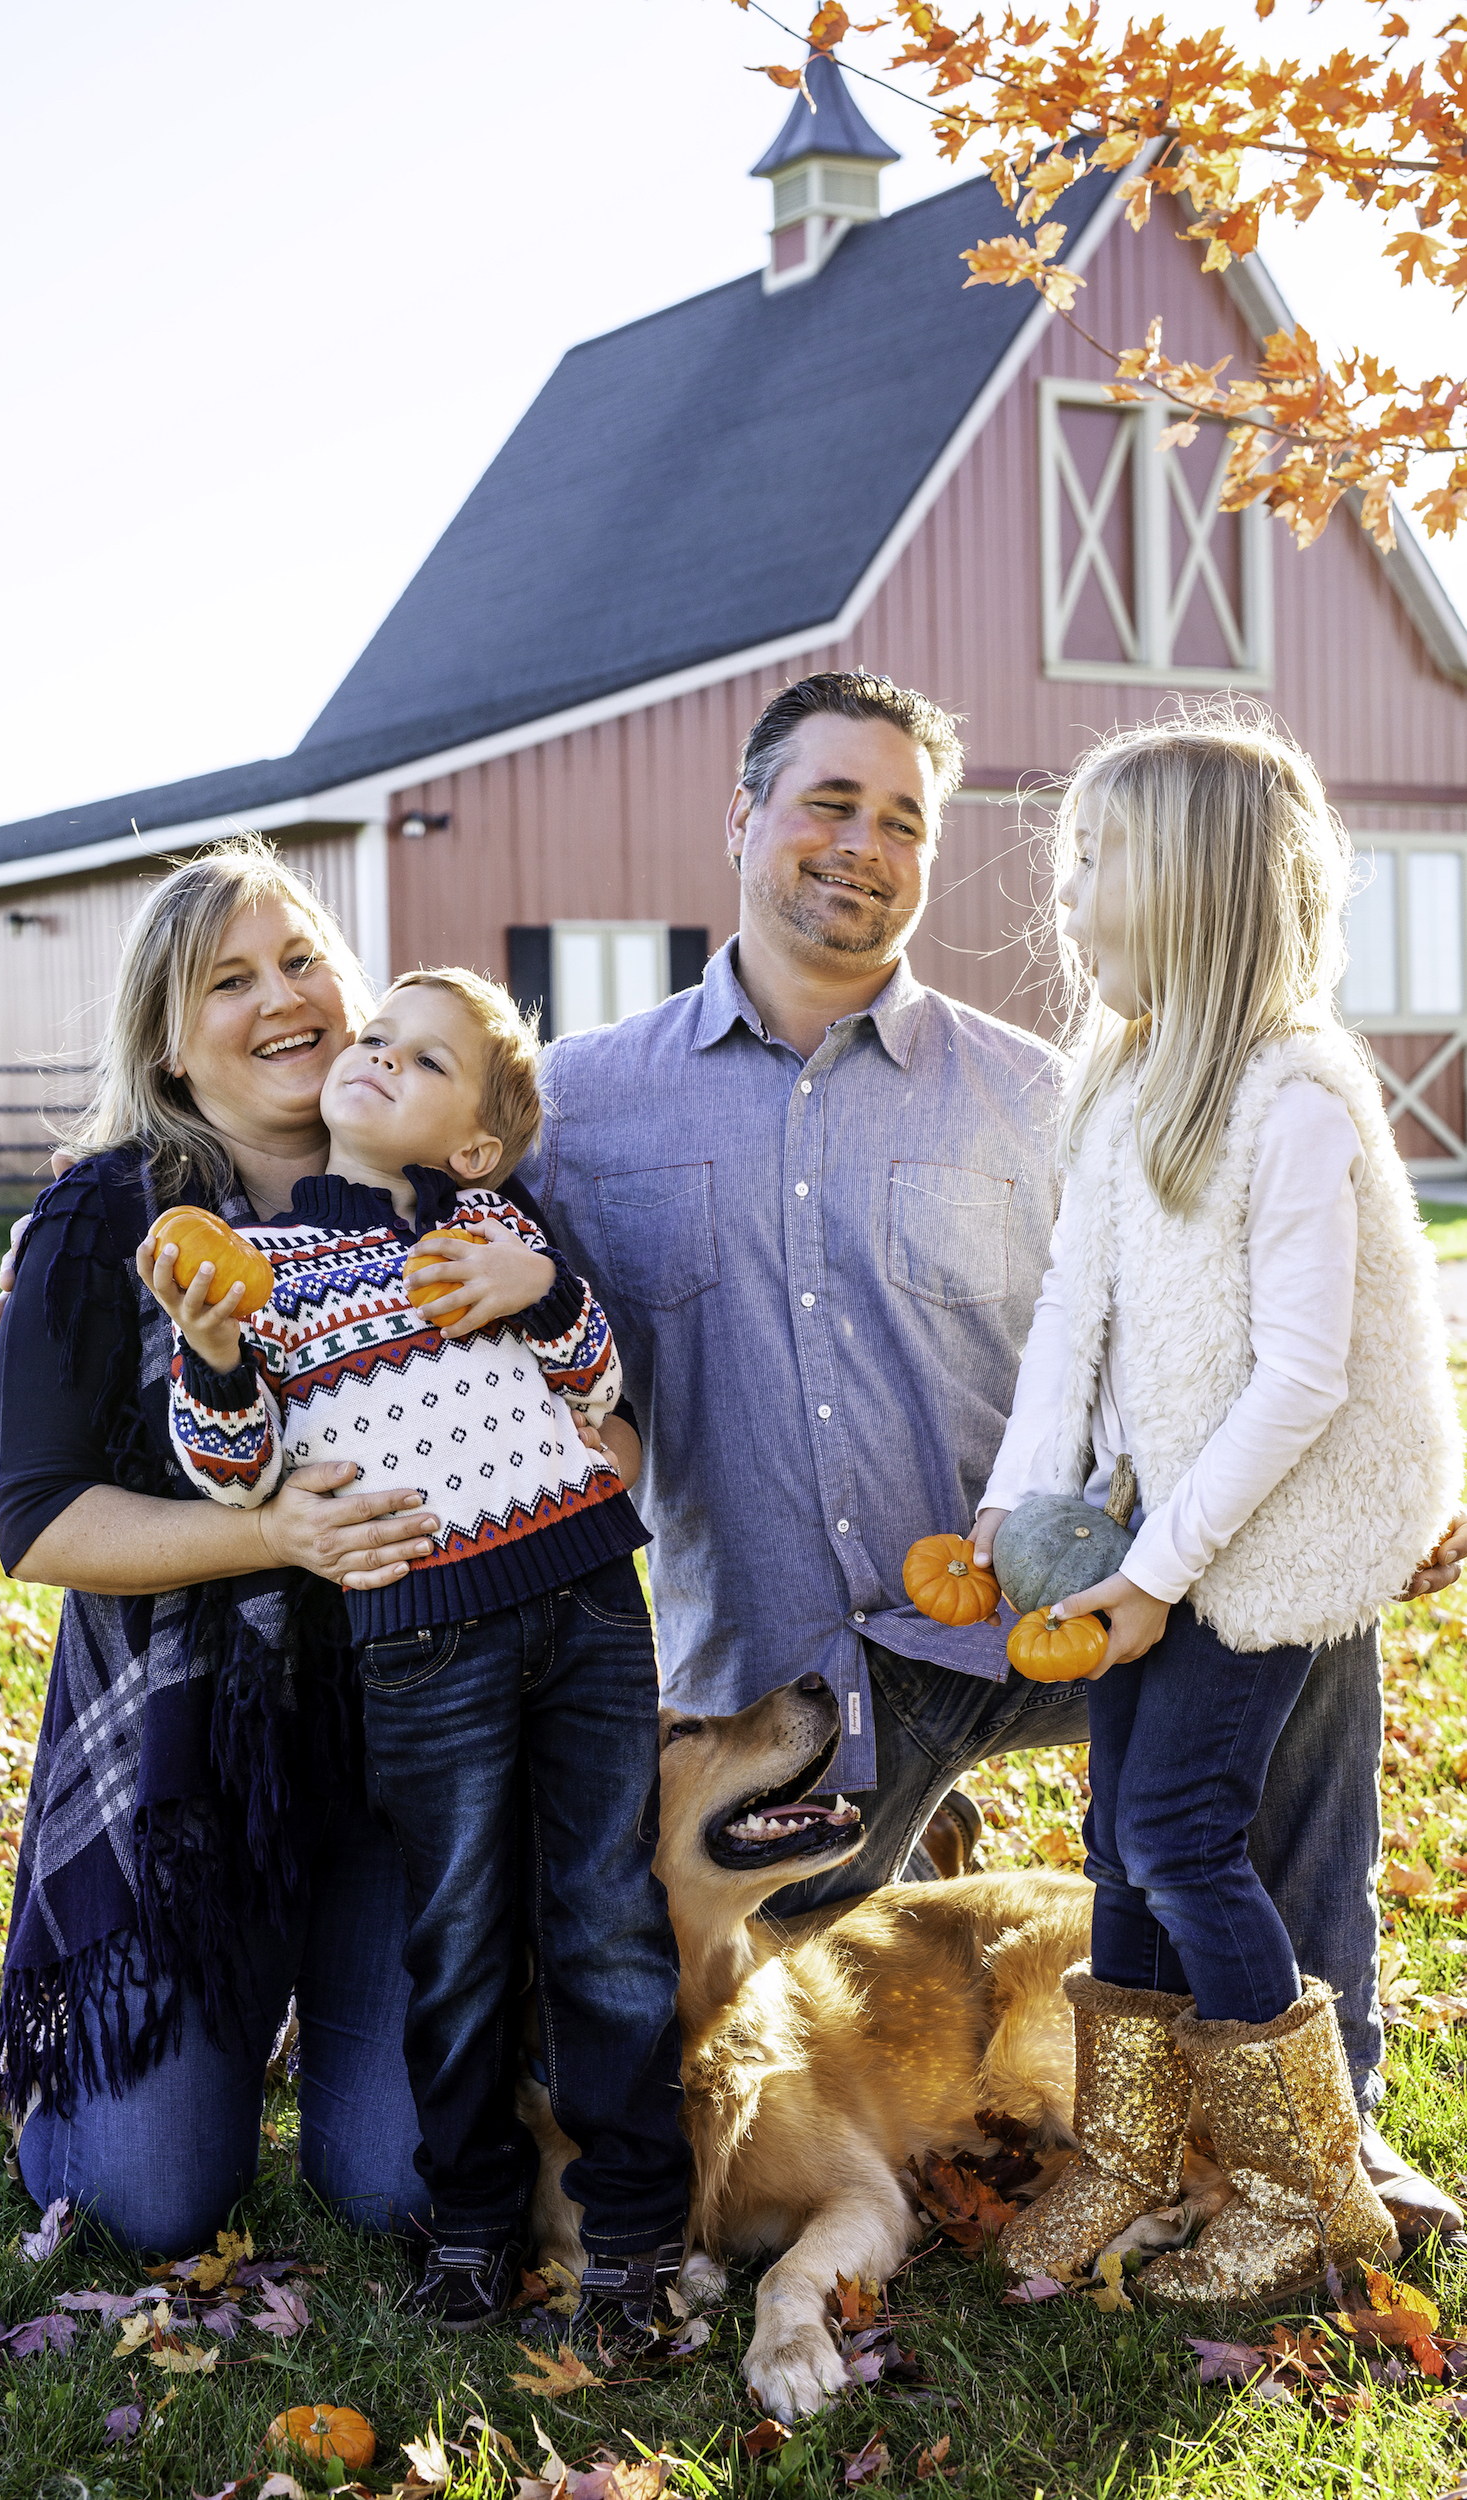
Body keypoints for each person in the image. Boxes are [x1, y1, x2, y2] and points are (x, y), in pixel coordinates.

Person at [521, 667, 1467, 2240]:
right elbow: (398, 1206)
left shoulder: (1049, 1089)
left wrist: (1376, 1515)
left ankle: (1327, 2128)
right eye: (830, 802)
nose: (865, 845)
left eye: (905, 819)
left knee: (1308, 1647)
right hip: (811, 1681)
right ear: (742, 816)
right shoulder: (581, 1108)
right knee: (735, 1980)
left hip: (1053, 1611)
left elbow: (1251, 1336)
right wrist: (137, 1248)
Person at [981, 713, 1460, 2301]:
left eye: (1095, 860)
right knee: (1120, 1839)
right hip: (1159, 1540)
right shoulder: (1118, 1087)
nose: (1069, 895)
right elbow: (1073, 1317)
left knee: (1183, 1836)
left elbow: (1306, 1379)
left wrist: (1157, 1577)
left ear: (1188, 883)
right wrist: (1017, 1512)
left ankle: (1303, 2180)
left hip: (1267, 1540)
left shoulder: (1295, 1099)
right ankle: (1125, 2155)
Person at [141, 966, 689, 2336]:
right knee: (454, 1933)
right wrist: (211, 1356)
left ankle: (632, 2222)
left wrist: (545, 1284)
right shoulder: (265, 1269)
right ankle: (470, 2219)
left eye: (426, 1058)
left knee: (606, 1916)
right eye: (376, 1036)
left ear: (476, 1148)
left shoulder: (500, 1228)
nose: (379, 1053)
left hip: (585, 1602)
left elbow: (598, 1386)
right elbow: (232, 1466)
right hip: (423, 1639)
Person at [0, 840, 468, 2253]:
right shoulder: (102, 1215)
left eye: (304, 961)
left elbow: (584, 1420)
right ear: (170, 1045)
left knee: (394, 2191)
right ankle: (87, 2069)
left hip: (407, 1752)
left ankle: (338, 2017)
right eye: (229, 980)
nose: (283, 1000)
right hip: (190, 1780)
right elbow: (40, 1522)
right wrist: (270, 1534)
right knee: (147, 2204)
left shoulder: (438, 1199)